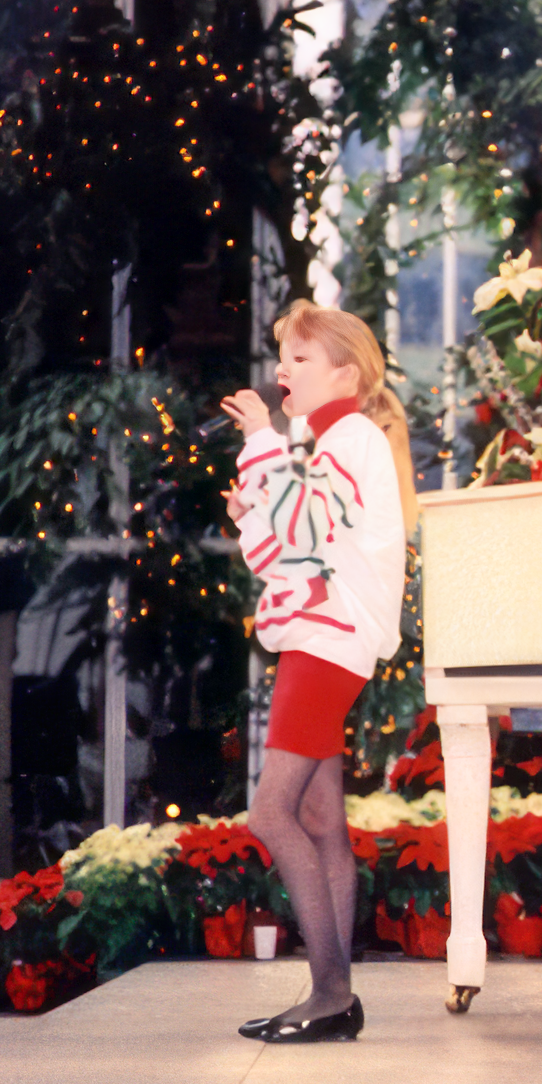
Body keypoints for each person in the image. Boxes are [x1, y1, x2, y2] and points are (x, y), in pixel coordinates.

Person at [219, 301, 418, 1043]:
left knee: (271, 813)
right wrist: (252, 510)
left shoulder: (351, 436)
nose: (280, 373)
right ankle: (334, 996)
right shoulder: (329, 444)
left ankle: (330, 991)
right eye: (283, 359)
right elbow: (284, 556)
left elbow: (304, 532)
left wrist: (261, 445)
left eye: (298, 360)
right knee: (321, 819)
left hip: (326, 644)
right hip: (315, 636)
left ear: (346, 372)